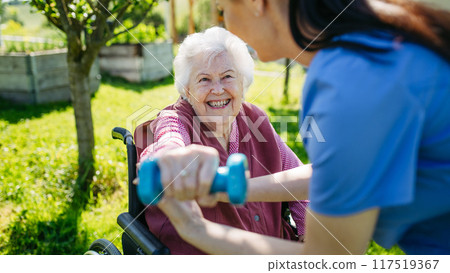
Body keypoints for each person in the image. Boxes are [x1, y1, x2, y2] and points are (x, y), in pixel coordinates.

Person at [153, 0, 450, 255]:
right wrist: (230, 189)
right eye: (204, 79)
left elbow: (332, 258)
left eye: (223, 8)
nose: (227, 24)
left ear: (257, 3)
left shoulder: (350, 79)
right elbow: (333, 173)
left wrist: (196, 229)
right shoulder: (370, 49)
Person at [136, 27, 310, 254]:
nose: (218, 90)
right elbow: (168, 141)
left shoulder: (255, 119)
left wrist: (310, 239)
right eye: (204, 79)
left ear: (243, 82)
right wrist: (169, 160)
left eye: (228, 76)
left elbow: (298, 180)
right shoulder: (175, 120)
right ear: (187, 90)